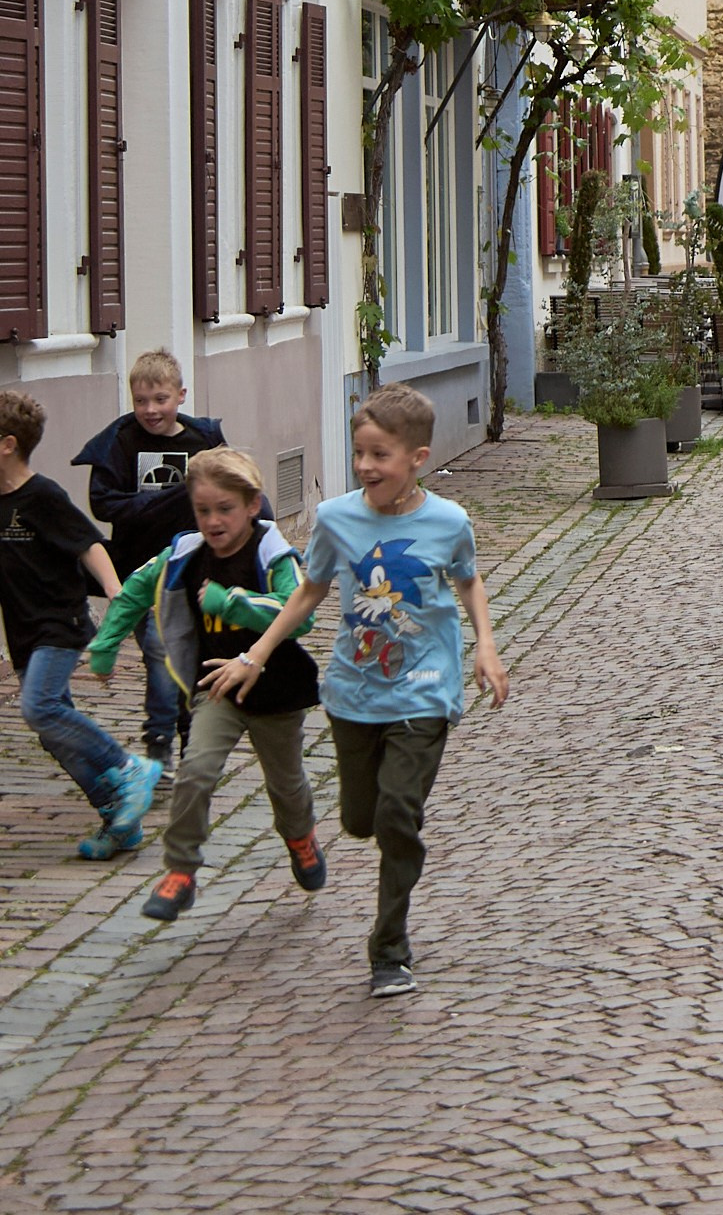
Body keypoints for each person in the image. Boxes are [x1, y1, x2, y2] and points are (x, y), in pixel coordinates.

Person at [206, 382, 508, 1000]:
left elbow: (469, 582)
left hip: (426, 686)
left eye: (380, 455)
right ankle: (372, 841)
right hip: (353, 691)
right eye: (360, 453)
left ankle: (389, 949)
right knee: (360, 818)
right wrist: (256, 655)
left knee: (399, 813)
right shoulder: (337, 519)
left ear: (417, 458)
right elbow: (309, 591)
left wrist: (485, 644)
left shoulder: (449, 521)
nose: (366, 466)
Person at [85, 445, 323, 921]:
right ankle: (181, 871)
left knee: (287, 784)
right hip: (215, 687)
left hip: (275, 690)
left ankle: (300, 837)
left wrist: (231, 602)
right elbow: (136, 588)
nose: (213, 522)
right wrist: (107, 642)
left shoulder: (273, 553)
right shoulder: (186, 554)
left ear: (252, 505)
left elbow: (298, 615)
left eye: (225, 510)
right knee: (195, 773)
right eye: (202, 511)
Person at [0, 388, 160, 857]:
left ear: (8, 444)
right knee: (54, 733)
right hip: (25, 631)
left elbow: (89, 543)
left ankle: (128, 767)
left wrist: (117, 594)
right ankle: (119, 820)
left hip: (60, 622)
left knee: (40, 709)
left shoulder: (42, 495)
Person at [73, 350, 225, 771]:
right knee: (160, 649)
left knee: (191, 653)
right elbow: (103, 505)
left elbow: (232, 492)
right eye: (141, 401)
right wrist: (168, 500)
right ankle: (160, 740)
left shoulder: (204, 443)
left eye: (160, 399)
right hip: (141, 572)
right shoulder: (119, 443)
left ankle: (189, 731)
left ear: (181, 395)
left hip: (196, 566)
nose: (150, 410)